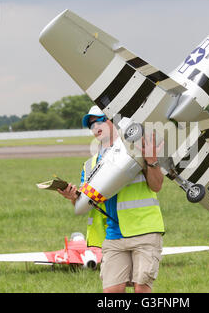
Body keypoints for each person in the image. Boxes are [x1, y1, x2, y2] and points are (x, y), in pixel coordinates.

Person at [57, 105, 165, 292]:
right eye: (91, 125)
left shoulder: (134, 148)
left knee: (141, 289)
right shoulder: (89, 166)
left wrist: (152, 161)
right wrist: (72, 197)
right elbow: (85, 204)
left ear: (114, 121)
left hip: (144, 230)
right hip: (113, 235)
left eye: (99, 121)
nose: (94, 127)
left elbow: (156, 186)